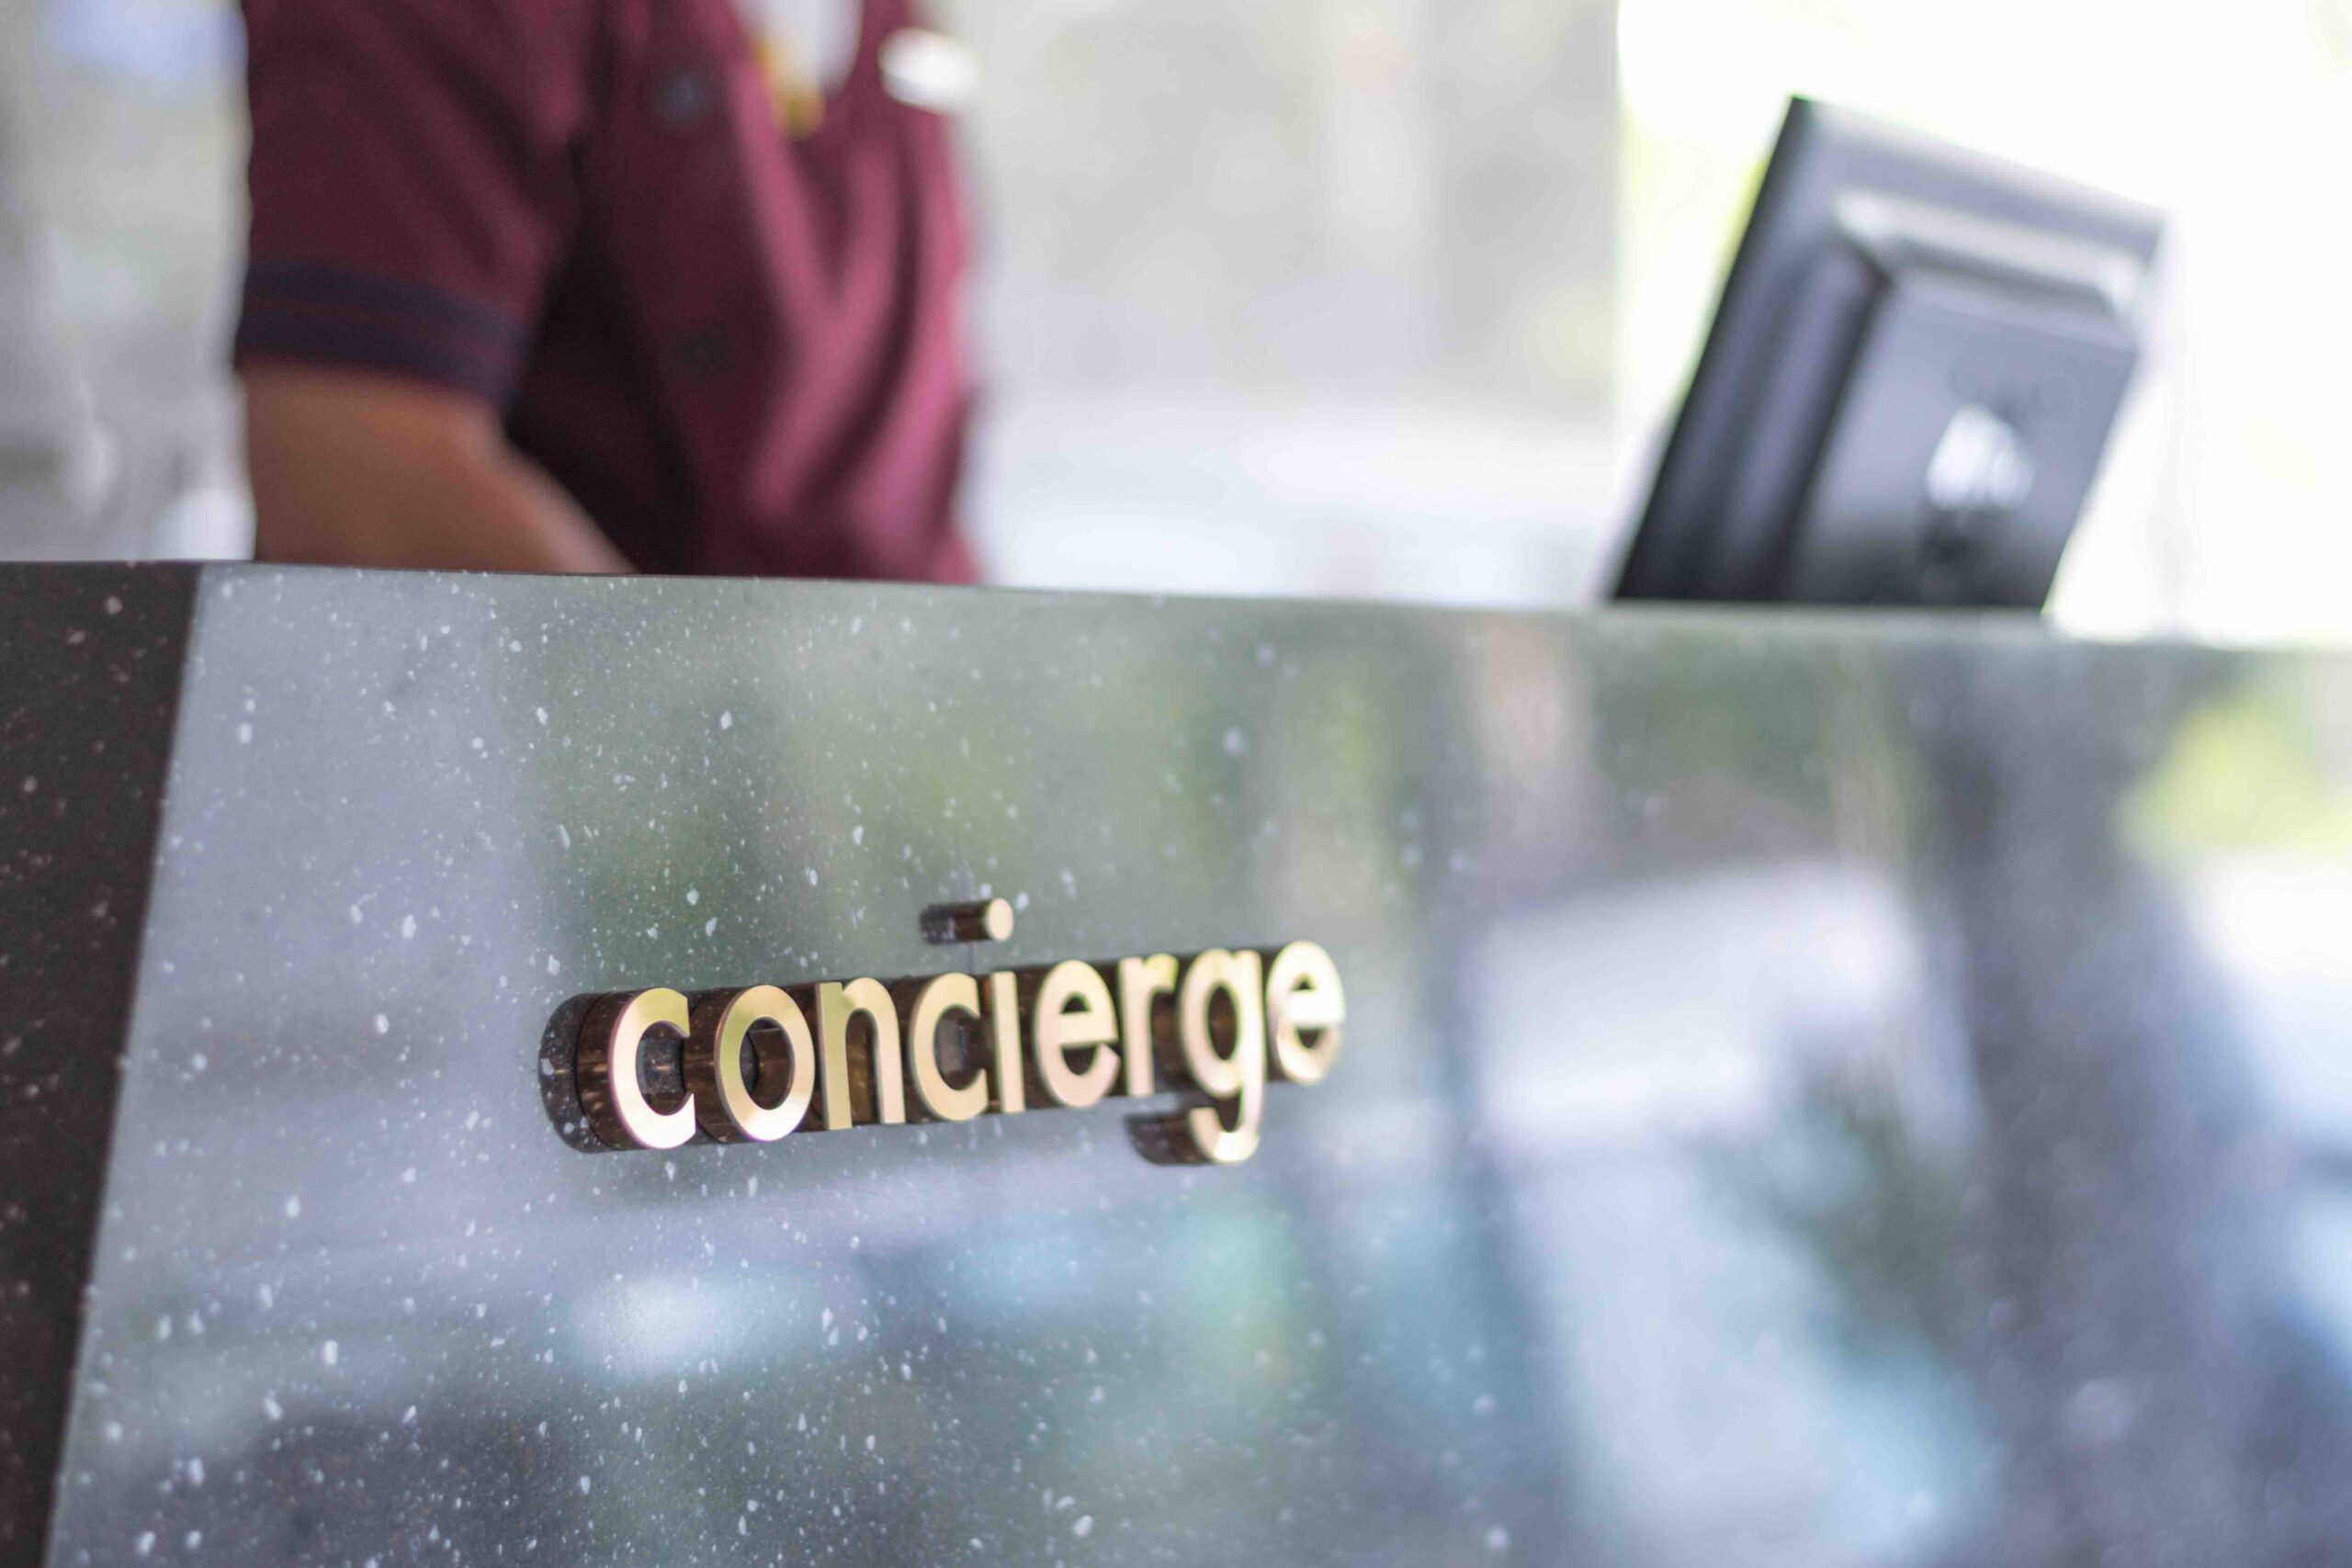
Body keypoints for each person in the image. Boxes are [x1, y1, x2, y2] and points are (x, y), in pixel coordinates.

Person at [235, 0, 978, 580]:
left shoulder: (902, 39)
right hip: (544, 754)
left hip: (895, 729)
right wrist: (707, 749)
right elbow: (348, 477)